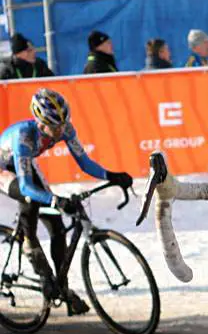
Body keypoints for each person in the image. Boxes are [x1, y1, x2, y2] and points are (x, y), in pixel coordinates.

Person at [0, 88, 134, 314]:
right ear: (40, 122)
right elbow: (25, 186)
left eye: (63, 124)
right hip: (5, 170)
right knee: (30, 203)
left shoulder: (65, 128)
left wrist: (111, 175)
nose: (61, 130)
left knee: (57, 228)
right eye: (55, 127)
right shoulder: (23, 136)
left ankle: (62, 287)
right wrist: (55, 200)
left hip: (25, 165)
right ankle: (41, 271)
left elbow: (84, 162)